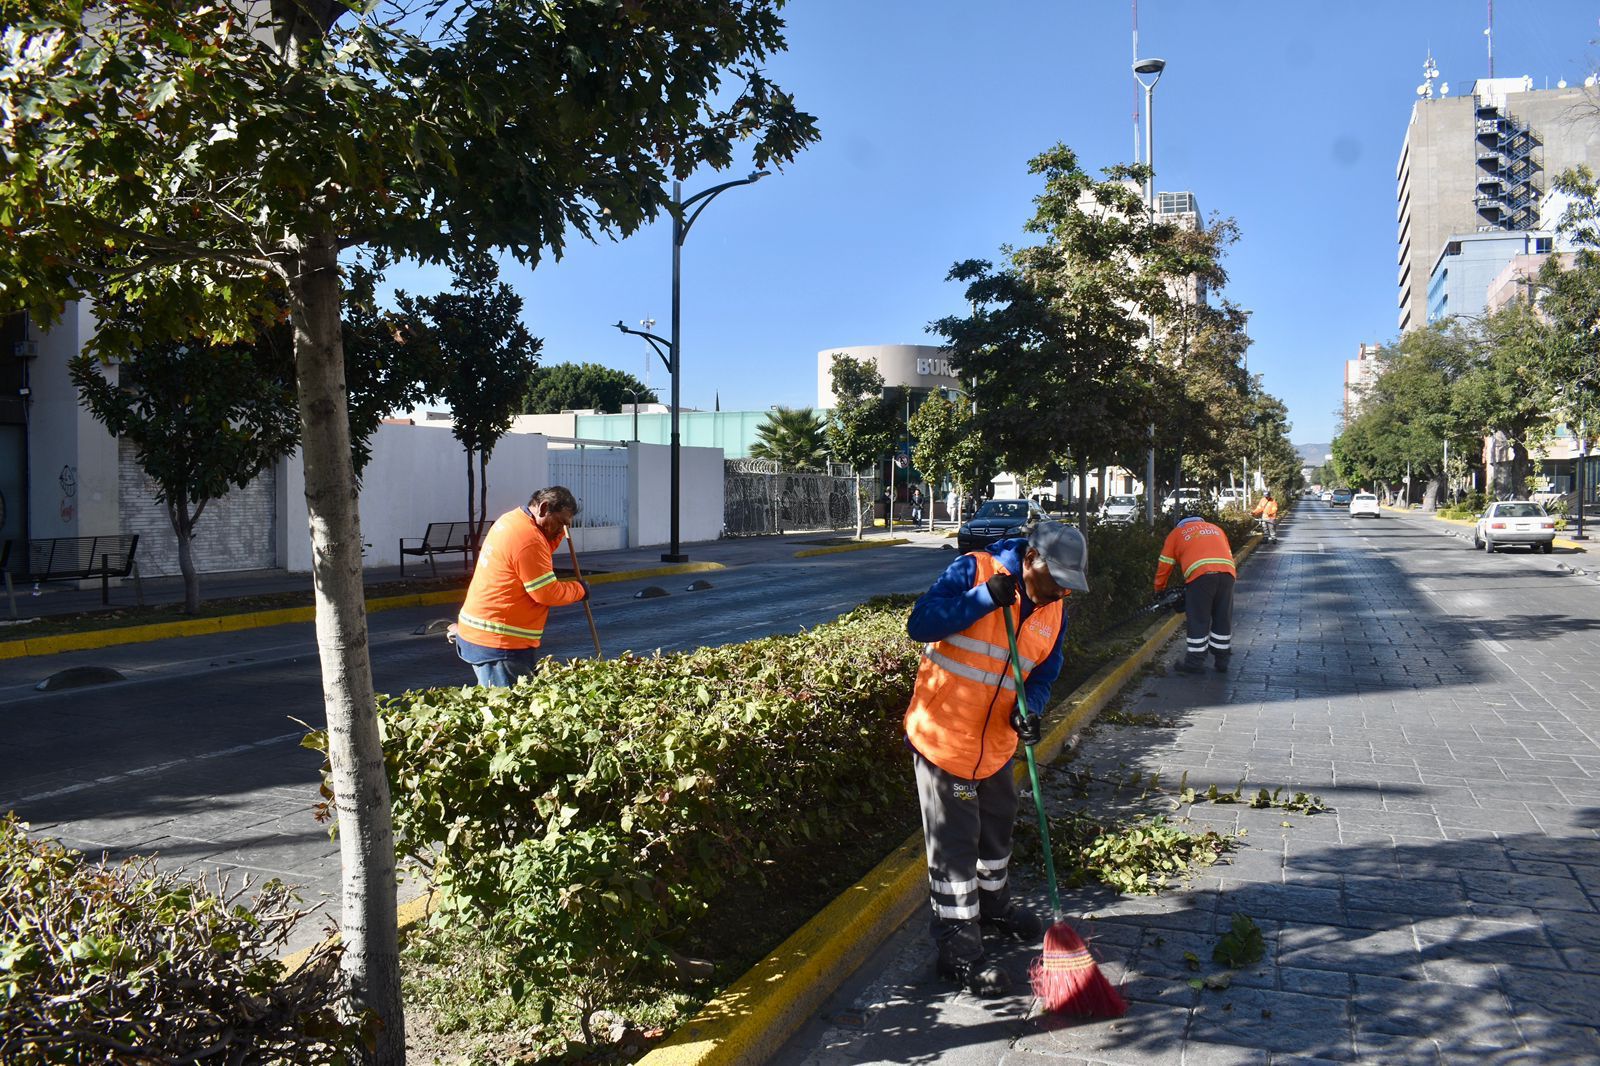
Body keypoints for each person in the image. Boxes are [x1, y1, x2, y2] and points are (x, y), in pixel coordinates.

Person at [903, 519, 1089, 996]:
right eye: (1054, 583)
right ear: (1031, 560)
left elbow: (1046, 671)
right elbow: (920, 623)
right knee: (956, 846)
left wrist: (1034, 710)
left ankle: (994, 908)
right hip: (944, 738)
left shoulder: (1054, 609)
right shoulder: (972, 570)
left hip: (997, 745)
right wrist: (985, 597)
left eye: (1068, 588)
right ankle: (958, 952)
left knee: (997, 830)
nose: (1058, 595)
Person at [453, 485, 590, 687]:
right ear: (543, 508)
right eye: (561, 523)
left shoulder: (512, 520)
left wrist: (558, 533)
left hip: (485, 634)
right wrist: (581, 590)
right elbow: (546, 593)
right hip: (500, 645)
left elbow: (535, 555)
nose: (562, 529)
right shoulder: (529, 540)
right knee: (508, 712)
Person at [1154, 511, 1237, 675]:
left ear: (1180, 522)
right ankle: (1222, 660)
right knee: (1222, 616)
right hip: (1227, 574)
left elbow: (1165, 564)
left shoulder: (1177, 533)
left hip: (1201, 576)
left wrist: (1159, 589)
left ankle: (1194, 662)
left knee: (1199, 618)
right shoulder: (1215, 528)